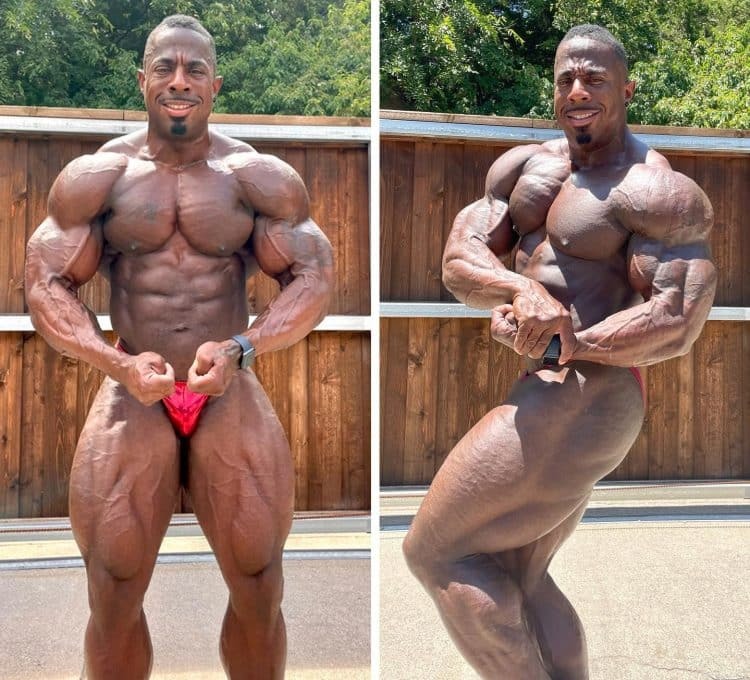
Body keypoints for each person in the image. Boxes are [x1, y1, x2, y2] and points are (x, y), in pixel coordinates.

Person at [402, 23, 716, 680]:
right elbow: (459, 263)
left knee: (434, 552)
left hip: (592, 394)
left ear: (627, 90)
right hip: (549, 385)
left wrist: (566, 340)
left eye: (594, 79)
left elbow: (677, 319)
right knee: (520, 572)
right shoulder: (525, 169)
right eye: (566, 78)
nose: (577, 91)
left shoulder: (653, 189)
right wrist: (520, 291)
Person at [24, 14, 333, 680]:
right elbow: (44, 284)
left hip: (226, 387)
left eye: (195, 69)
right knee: (112, 587)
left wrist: (244, 347)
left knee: (259, 582)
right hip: (135, 387)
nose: (179, 81)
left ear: (216, 85)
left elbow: (313, 277)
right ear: (143, 80)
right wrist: (117, 364)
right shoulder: (98, 177)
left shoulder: (256, 178)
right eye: (165, 67)